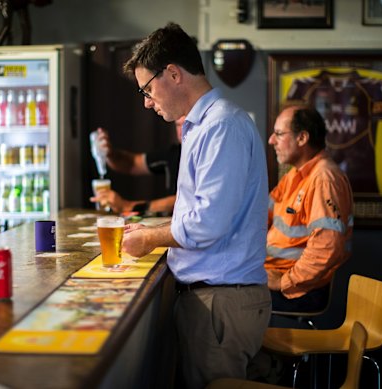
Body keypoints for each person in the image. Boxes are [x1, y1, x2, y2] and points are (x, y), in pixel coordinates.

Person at [120, 23, 272, 389]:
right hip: (214, 296)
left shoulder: (221, 126)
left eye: (147, 89)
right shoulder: (201, 126)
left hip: (222, 299)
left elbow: (207, 223)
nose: (146, 101)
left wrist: (150, 238)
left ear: (173, 73)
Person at [266, 104, 353, 314]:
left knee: (223, 296)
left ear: (302, 138)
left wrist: (284, 282)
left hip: (299, 292)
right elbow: (260, 214)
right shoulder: (296, 175)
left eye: (279, 133)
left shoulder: (323, 179)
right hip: (274, 274)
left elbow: (327, 247)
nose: (271, 140)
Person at [89, 116, 183, 215]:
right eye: (178, 125)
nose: (182, 131)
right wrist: (109, 153)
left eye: (186, 124)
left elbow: (186, 201)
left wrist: (128, 206)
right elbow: (132, 163)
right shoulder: (175, 153)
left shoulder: (199, 154)